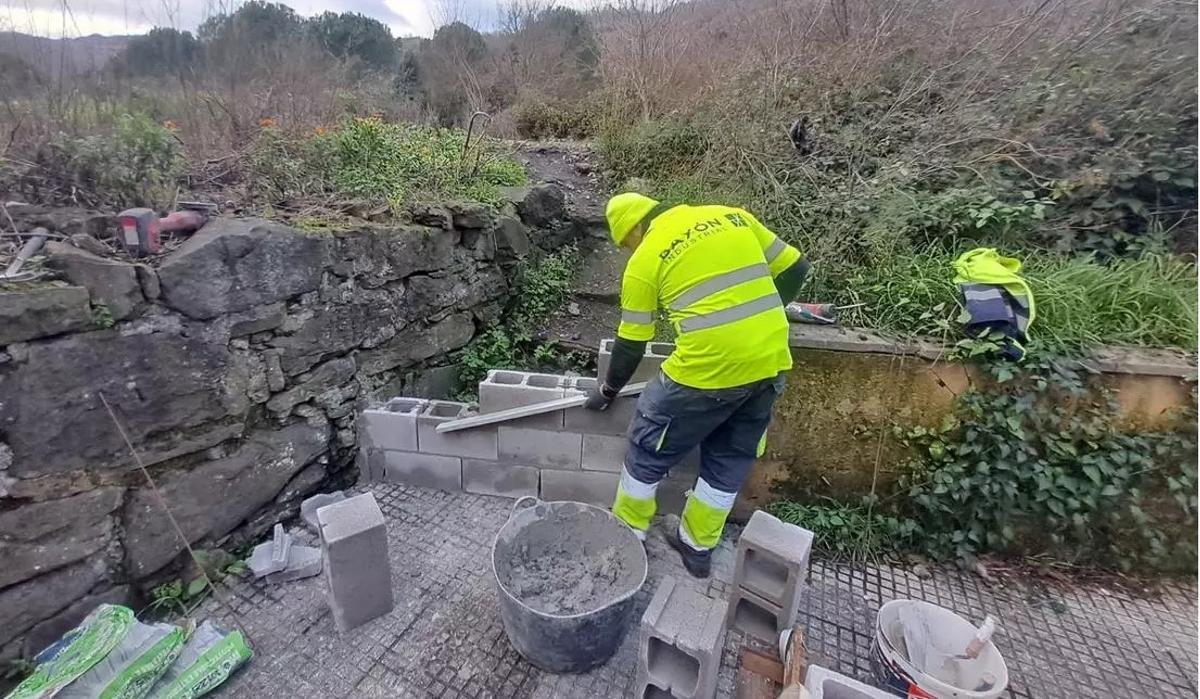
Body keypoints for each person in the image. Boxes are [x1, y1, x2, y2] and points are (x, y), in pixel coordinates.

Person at [584, 192, 810, 578]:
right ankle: (697, 548)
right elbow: (796, 267)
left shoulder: (645, 258)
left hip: (703, 373)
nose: (627, 250)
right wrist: (762, 316)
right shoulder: (732, 213)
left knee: (646, 448)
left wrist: (608, 391)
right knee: (729, 459)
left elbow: (632, 342)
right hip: (768, 363)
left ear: (635, 228)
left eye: (625, 243)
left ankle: (628, 533)